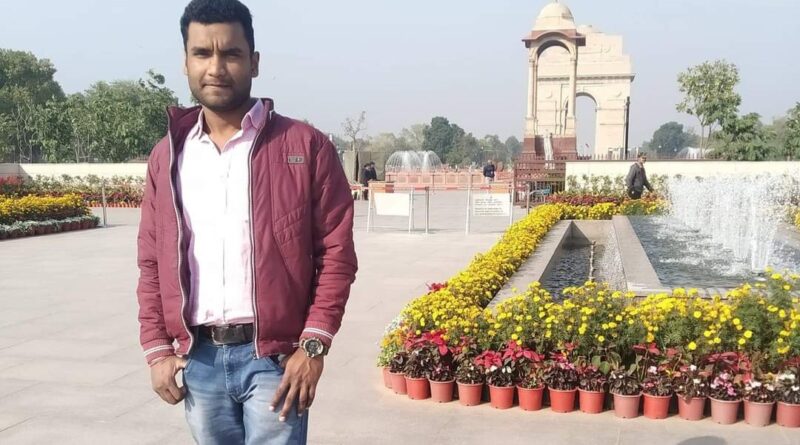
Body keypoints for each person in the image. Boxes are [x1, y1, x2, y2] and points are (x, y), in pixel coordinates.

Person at [135, 1, 358, 443]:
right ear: (185, 62)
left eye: (231, 54)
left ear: (254, 62)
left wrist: (314, 346)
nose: (215, 67)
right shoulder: (168, 156)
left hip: (275, 360)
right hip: (198, 360)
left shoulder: (304, 146)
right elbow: (151, 261)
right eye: (202, 53)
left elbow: (336, 254)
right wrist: (157, 348)